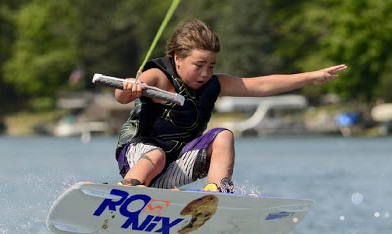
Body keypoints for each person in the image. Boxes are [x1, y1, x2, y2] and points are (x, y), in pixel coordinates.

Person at [114, 19, 347, 192]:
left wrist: (311, 77)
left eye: (211, 65)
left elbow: (264, 84)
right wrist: (129, 88)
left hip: (175, 164)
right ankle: (128, 190)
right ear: (177, 58)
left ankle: (216, 194)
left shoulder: (215, 84)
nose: (205, 73)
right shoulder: (158, 76)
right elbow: (121, 96)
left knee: (223, 135)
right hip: (139, 157)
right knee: (156, 155)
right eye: (199, 64)